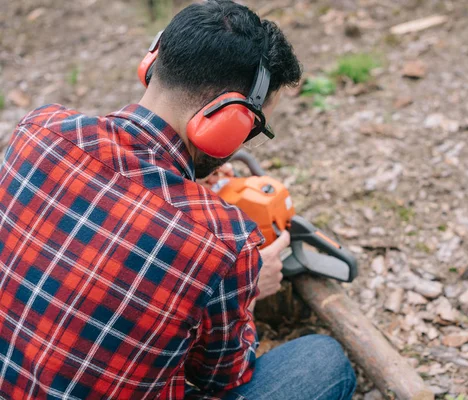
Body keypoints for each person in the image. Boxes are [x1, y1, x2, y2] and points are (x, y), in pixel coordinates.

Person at [0, 1, 356, 399]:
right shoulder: (225, 242)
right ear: (227, 120)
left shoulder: (38, 131)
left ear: (152, 65)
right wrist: (248, 287)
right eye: (253, 127)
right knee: (322, 360)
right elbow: (222, 377)